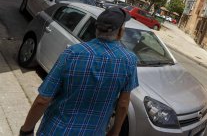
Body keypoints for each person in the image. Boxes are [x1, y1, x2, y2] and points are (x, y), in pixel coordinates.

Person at [19, 7, 139, 136]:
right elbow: (123, 104)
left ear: (96, 29)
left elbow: (43, 99)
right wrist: (115, 132)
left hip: (57, 130)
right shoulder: (129, 61)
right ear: (120, 31)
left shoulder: (73, 53)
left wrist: (26, 130)